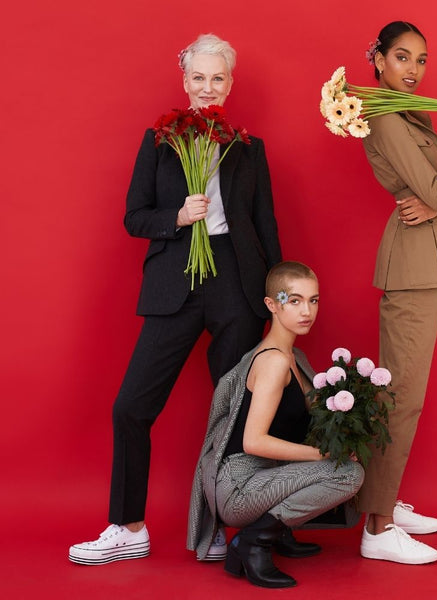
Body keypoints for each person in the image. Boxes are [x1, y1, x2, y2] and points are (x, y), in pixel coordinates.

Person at [68, 33, 281, 565]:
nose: (208, 89)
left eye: (218, 79)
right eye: (198, 78)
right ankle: (128, 525)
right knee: (131, 407)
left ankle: (223, 528)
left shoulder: (249, 148)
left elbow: (265, 225)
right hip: (173, 285)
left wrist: (279, 292)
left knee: (236, 415)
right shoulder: (157, 140)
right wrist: (177, 218)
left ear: (230, 84)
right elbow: (134, 216)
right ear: (184, 83)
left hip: (237, 283)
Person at [357, 21, 437, 564]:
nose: (413, 69)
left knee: (408, 395)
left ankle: (386, 502)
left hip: (429, 263)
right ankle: (377, 528)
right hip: (412, 266)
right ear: (378, 60)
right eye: (402, 57)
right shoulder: (385, 119)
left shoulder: (413, 111)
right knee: (399, 398)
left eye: (422, 60)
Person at [187, 261, 365, 588]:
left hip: (263, 475)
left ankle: (279, 532)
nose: (306, 310)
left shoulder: (295, 358)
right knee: (348, 474)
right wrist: (322, 453)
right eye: (294, 300)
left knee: (349, 462)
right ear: (272, 304)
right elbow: (253, 441)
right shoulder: (274, 361)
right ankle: (253, 542)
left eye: (313, 300)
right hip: (240, 485)